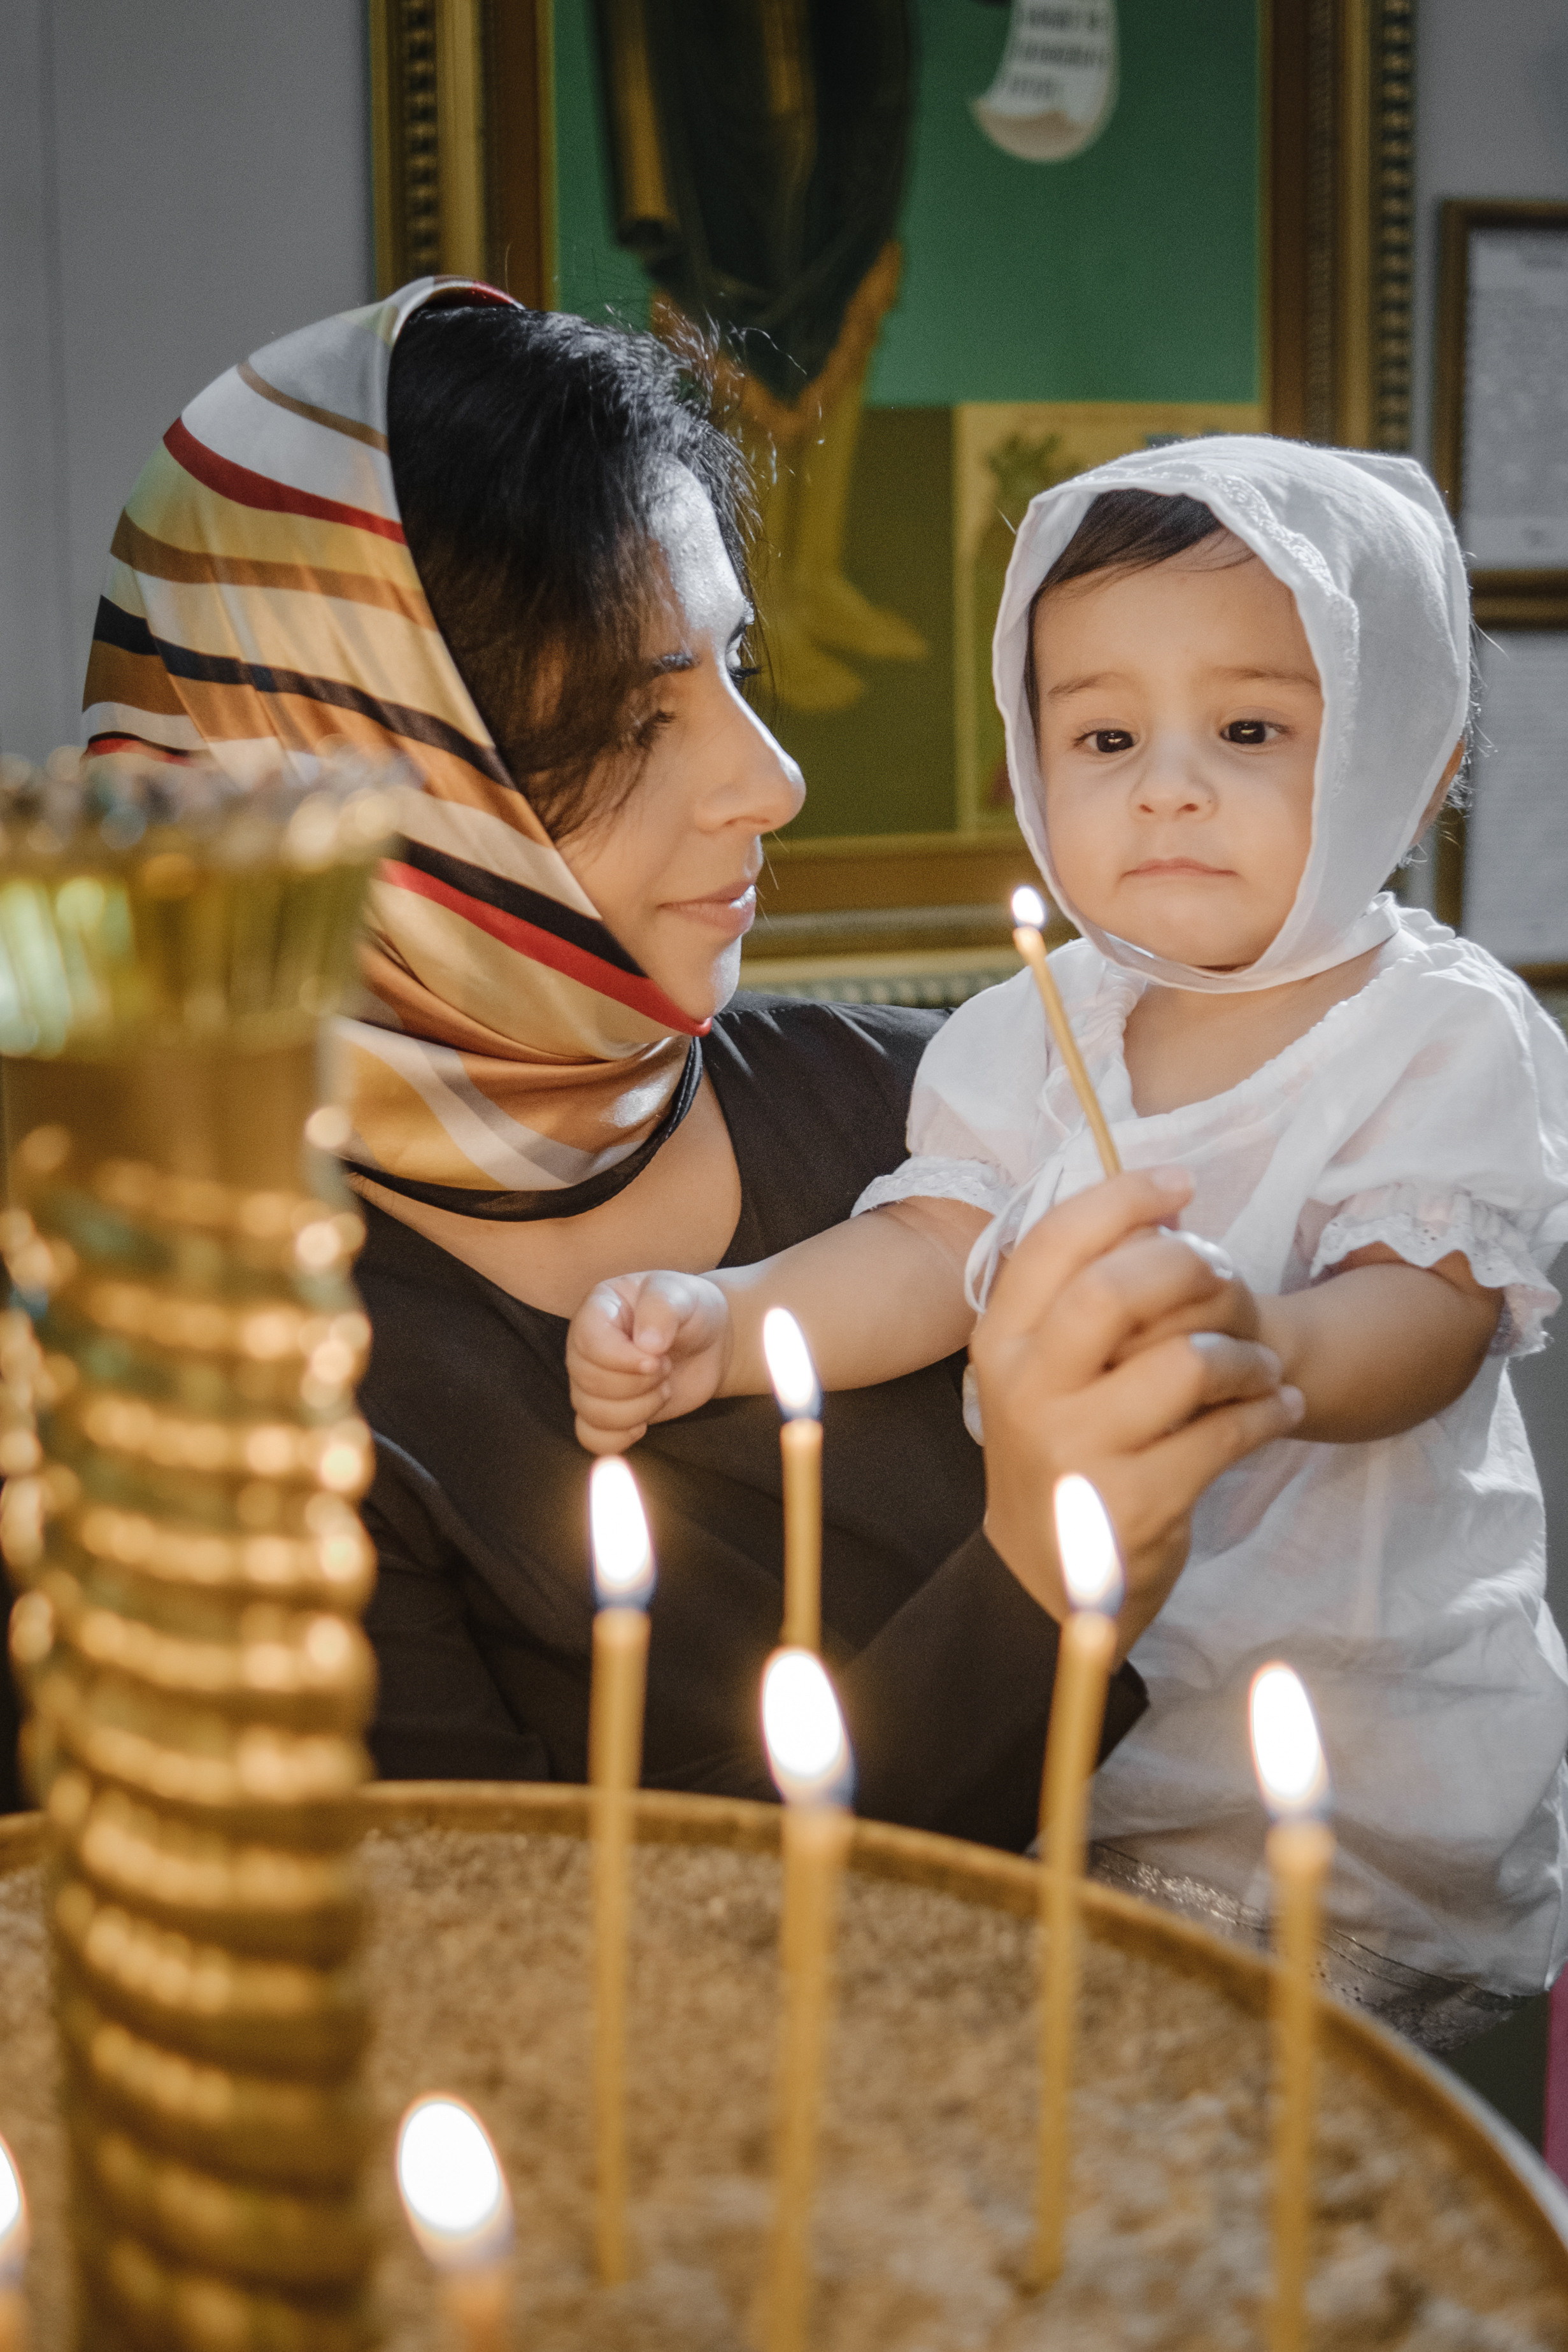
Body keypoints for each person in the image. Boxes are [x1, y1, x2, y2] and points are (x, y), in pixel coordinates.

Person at [79, 280, 1296, 1853]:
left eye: (734, 664)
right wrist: (1036, 1578)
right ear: (359, 794)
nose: (771, 780)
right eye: (633, 720)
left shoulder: (944, 1110)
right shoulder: (215, 1412)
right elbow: (526, 1981)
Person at [567, 438, 1568, 2046]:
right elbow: (926, 1248)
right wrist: (733, 1318)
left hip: (1361, 1801)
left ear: (1413, 757)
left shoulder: (1439, 1037)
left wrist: (1273, 1342)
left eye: (1248, 729)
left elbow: (1429, 1314)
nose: (1163, 784)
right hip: (1086, 1757)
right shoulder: (1031, 1035)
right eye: (1103, 733)